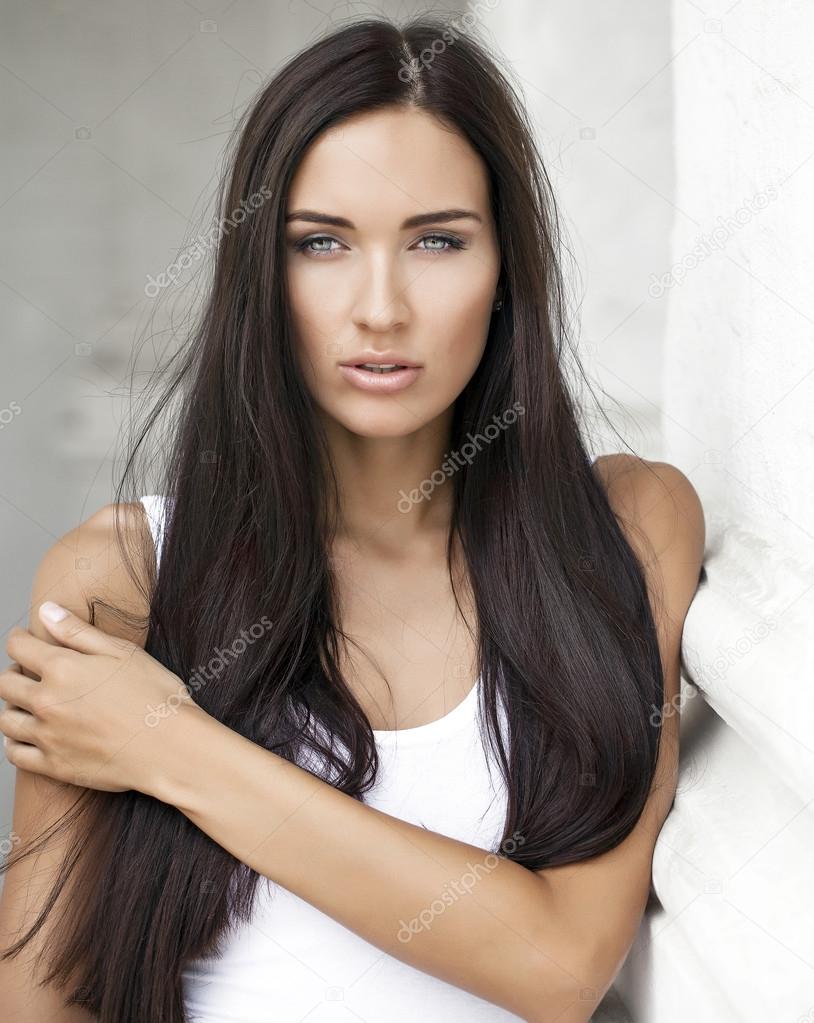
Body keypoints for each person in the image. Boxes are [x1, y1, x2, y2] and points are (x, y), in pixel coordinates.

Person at [0, 15, 704, 1023]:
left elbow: (557, 968)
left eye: (436, 240)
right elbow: (41, 1004)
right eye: (322, 243)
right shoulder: (123, 576)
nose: (381, 307)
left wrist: (166, 744)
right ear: (261, 275)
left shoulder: (630, 526)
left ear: (506, 269)